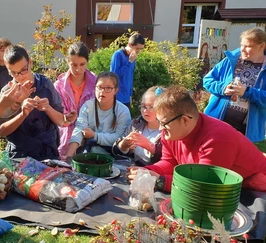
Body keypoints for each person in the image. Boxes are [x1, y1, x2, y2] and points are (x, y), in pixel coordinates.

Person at [128, 86, 266, 193]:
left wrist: (160, 181)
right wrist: (146, 172)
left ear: (185, 120)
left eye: (163, 123)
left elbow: (203, 185)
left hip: (252, 190)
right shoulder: (171, 131)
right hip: (215, 188)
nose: (160, 129)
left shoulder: (217, 139)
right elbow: (169, 162)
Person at [0, 44, 65, 160]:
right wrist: (22, 114)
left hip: (47, 153)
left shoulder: (45, 85)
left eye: (23, 70)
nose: (20, 77)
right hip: (19, 154)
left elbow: (61, 121)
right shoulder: (7, 92)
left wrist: (48, 108)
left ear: (30, 63)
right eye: (14, 73)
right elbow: (2, 131)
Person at [203, 27, 266, 142]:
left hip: (247, 131)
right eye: (242, 45)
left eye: (248, 46)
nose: (243, 49)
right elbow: (207, 80)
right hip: (217, 122)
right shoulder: (230, 60)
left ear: (262, 46)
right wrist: (223, 88)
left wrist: (247, 92)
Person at [65, 72, 131, 157]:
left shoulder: (123, 111)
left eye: (108, 88)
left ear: (116, 90)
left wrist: (95, 135)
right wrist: (68, 156)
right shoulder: (87, 106)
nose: (102, 91)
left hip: (114, 155)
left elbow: (119, 138)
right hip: (89, 152)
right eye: (99, 87)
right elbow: (79, 130)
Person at [54, 42, 97, 158]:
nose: (78, 69)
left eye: (82, 64)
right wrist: (66, 117)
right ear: (68, 62)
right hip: (65, 139)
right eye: (74, 65)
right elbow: (56, 114)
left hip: (89, 137)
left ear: (87, 62)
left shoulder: (96, 83)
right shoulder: (59, 86)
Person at [112, 86, 164, 166]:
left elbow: (169, 161)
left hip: (154, 174)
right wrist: (123, 146)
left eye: (151, 107)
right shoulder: (136, 124)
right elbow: (116, 152)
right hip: (132, 170)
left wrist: (150, 147)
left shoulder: (169, 130)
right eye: (143, 106)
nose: (145, 110)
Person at [110, 33, 145, 108]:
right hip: (117, 97)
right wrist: (129, 62)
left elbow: (130, 77)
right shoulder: (118, 55)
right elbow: (114, 76)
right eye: (137, 48)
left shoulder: (132, 57)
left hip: (126, 98)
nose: (138, 51)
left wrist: (130, 95)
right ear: (130, 45)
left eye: (140, 49)